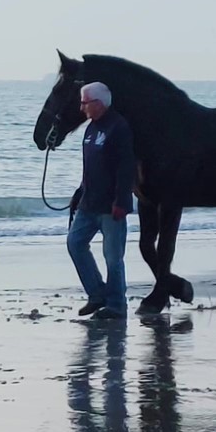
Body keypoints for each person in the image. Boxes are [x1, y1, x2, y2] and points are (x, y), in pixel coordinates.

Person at [66, 81, 136, 320]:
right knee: (75, 243)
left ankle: (117, 305)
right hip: (89, 203)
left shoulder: (118, 127)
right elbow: (91, 166)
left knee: (113, 258)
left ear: (99, 103)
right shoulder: (91, 128)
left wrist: (121, 201)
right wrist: (79, 192)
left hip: (111, 207)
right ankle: (97, 294)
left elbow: (126, 168)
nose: (82, 107)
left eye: (85, 102)